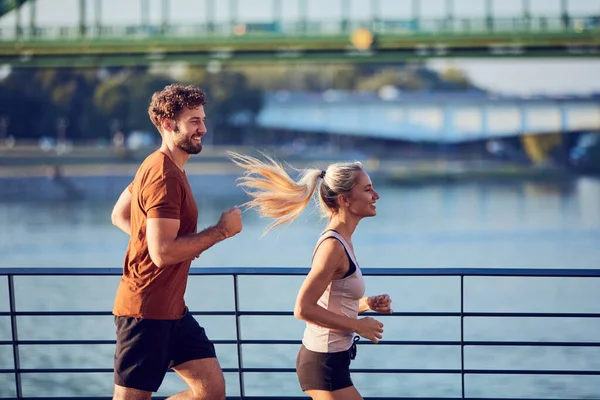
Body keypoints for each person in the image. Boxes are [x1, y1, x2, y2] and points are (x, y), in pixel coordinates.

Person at [110, 84, 242, 400]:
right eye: (194, 121)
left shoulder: (160, 165)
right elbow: (163, 252)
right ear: (169, 124)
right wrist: (221, 231)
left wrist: (159, 242)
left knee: (210, 390)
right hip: (145, 313)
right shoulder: (163, 176)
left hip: (173, 312)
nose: (203, 128)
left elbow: (119, 215)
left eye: (203, 119)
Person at [229, 152, 393, 400]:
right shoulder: (333, 247)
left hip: (332, 360)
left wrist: (366, 304)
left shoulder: (344, 241)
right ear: (344, 200)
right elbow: (303, 308)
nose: (376, 196)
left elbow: (332, 302)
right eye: (368, 189)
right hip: (322, 364)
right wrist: (359, 326)